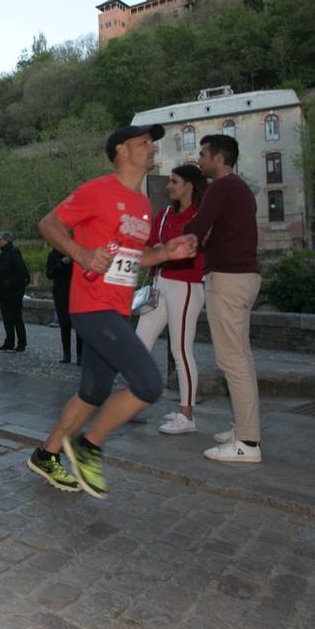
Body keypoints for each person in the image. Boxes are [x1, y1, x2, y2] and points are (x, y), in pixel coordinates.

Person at [28, 125, 197, 497]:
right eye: (143, 142)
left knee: (93, 392)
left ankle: (46, 453)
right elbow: (48, 224)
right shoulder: (96, 190)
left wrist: (167, 253)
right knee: (148, 384)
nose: (152, 147)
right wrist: (82, 255)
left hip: (118, 309)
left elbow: (134, 261)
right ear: (121, 150)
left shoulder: (141, 204)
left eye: (152, 143)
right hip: (91, 306)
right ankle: (89, 446)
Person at [185, 133, 263, 464]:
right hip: (242, 276)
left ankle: (247, 443)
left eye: (203, 154)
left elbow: (198, 224)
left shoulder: (222, 187)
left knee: (233, 360)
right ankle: (244, 430)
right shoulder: (239, 189)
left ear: (219, 158)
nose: (199, 159)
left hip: (229, 278)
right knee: (240, 357)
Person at [135, 163, 208, 435]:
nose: (168, 186)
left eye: (174, 181)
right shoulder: (164, 214)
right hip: (160, 282)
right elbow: (149, 246)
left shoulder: (200, 216)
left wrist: (162, 250)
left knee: (181, 349)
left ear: (189, 185)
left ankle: (186, 414)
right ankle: (135, 402)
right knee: (139, 343)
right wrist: (157, 250)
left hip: (186, 284)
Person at [45, 246, 81, 364]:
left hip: (76, 292)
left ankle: (80, 356)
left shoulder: (75, 253)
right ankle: (67, 354)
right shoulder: (53, 255)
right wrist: (61, 263)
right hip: (61, 293)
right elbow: (49, 274)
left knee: (79, 325)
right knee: (64, 324)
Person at [0, 231, 29, 352]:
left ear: (6, 240)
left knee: (16, 318)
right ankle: (9, 341)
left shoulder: (14, 253)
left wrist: (10, 286)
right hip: (4, 293)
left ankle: (21, 343)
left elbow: (19, 273)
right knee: (7, 318)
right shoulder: (3, 254)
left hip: (13, 293)